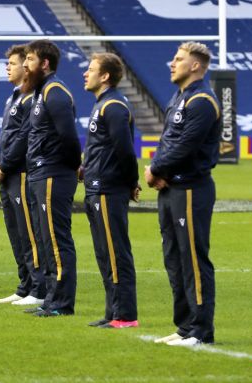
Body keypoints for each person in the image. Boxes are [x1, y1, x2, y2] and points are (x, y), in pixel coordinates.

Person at [145, 41, 220, 346]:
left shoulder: (202, 100)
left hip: (191, 188)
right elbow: (168, 141)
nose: (171, 63)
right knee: (174, 258)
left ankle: (202, 329)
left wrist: (155, 169)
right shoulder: (180, 97)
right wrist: (160, 171)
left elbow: (186, 145)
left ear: (196, 66)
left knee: (192, 258)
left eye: (178, 59)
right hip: (172, 187)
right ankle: (185, 326)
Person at [23, 40, 82, 316]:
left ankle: (61, 302)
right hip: (40, 173)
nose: (25, 65)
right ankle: (50, 298)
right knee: (45, 239)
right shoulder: (41, 92)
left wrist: (69, 167)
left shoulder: (55, 92)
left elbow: (69, 137)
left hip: (52, 174)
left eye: (30, 59)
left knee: (56, 239)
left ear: (44, 64)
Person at [81, 52, 139, 328]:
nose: (85, 73)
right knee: (105, 253)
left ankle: (125, 314)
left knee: (116, 252)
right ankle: (112, 311)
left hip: (108, 188)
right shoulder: (103, 104)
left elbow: (125, 151)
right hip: (97, 186)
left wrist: (131, 183)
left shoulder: (113, 106)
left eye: (91, 69)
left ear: (105, 76)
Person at [0, 45, 44, 306]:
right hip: (6, 172)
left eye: (12, 63)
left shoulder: (32, 98)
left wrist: (5, 165)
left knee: (28, 231)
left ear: (26, 67)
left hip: (20, 173)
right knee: (15, 231)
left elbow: (24, 138)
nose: (7, 67)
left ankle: (38, 287)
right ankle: (24, 284)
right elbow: (6, 136)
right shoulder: (14, 96)